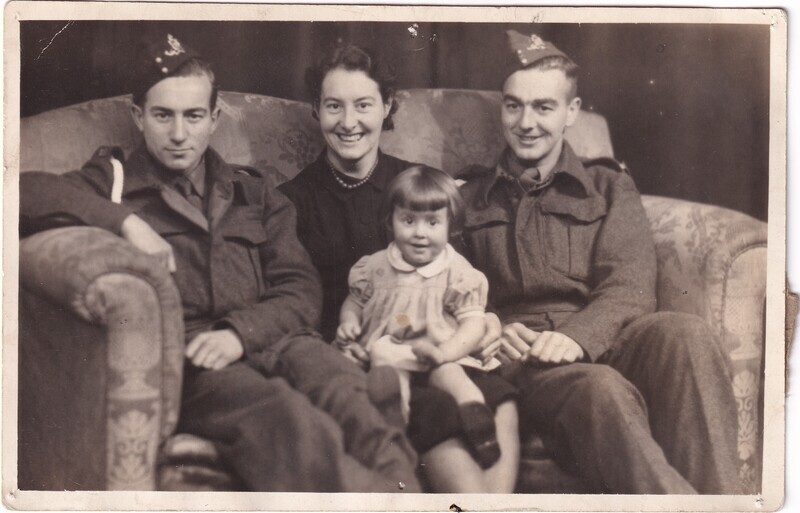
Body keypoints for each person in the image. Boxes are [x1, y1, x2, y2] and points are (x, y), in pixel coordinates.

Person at [19, 33, 421, 493]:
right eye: (162, 115)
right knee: (284, 417)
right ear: (138, 116)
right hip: (198, 363)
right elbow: (23, 189)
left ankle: (405, 496)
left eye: (193, 116)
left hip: (278, 339)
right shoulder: (113, 180)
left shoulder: (253, 191)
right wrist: (126, 221)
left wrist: (240, 333)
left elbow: (299, 288)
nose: (178, 134)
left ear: (214, 118)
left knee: (354, 394)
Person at [456, 30, 740, 494]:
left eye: (544, 107)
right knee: (599, 387)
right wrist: (488, 327)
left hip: (604, 333)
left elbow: (628, 285)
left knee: (687, 333)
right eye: (513, 106)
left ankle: (725, 501)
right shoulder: (467, 198)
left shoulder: (607, 186)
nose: (526, 122)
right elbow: (449, 289)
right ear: (501, 108)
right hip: (523, 358)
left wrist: (576, 337)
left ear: (571, 111)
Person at [279, 43, 520, 492]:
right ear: (317, 110)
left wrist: (487, 322)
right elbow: (293, 299)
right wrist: (334, 346)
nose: (348, 122)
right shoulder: (293, 201)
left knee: (502, 400)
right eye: (334, 106)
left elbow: (462, 272)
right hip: (364, 357)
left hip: (438, 345)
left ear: (387, 106)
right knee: (436, 413)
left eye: (363, 105)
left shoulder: (421, 184)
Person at [336, 165, 505, 469]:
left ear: (450, 226)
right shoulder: (373, 267)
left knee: (451, 374)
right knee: (386, 367)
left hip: (440, 350)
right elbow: (355, 301)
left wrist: (445, 352)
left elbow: (473, 322)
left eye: (432, 222)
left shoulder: (458, 271)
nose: (419, 233)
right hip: (393, 348)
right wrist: (349, 321)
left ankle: (477, 417)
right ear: (391, 221)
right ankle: (394, 422)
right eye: (409, 220)